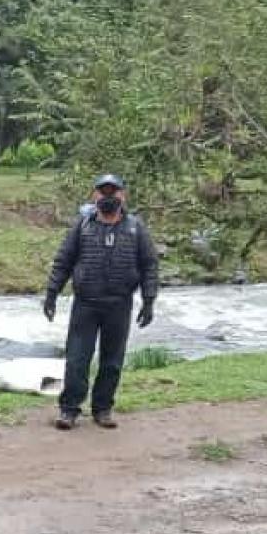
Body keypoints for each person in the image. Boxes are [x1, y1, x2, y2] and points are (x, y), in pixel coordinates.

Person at [43, 174, 159, 430]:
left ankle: (103, 408)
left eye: (113, 192)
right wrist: (51, 293)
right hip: (86, 303)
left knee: (112, 360)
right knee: (77, 358)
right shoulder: (82, 225)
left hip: (119, 304)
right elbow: (63, 260)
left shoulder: (136, 228)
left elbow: (149, 265)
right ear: (94, 196)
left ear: (123, 195)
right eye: (103, 192)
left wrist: (149, 300)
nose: (108, 197)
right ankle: (69, 409)